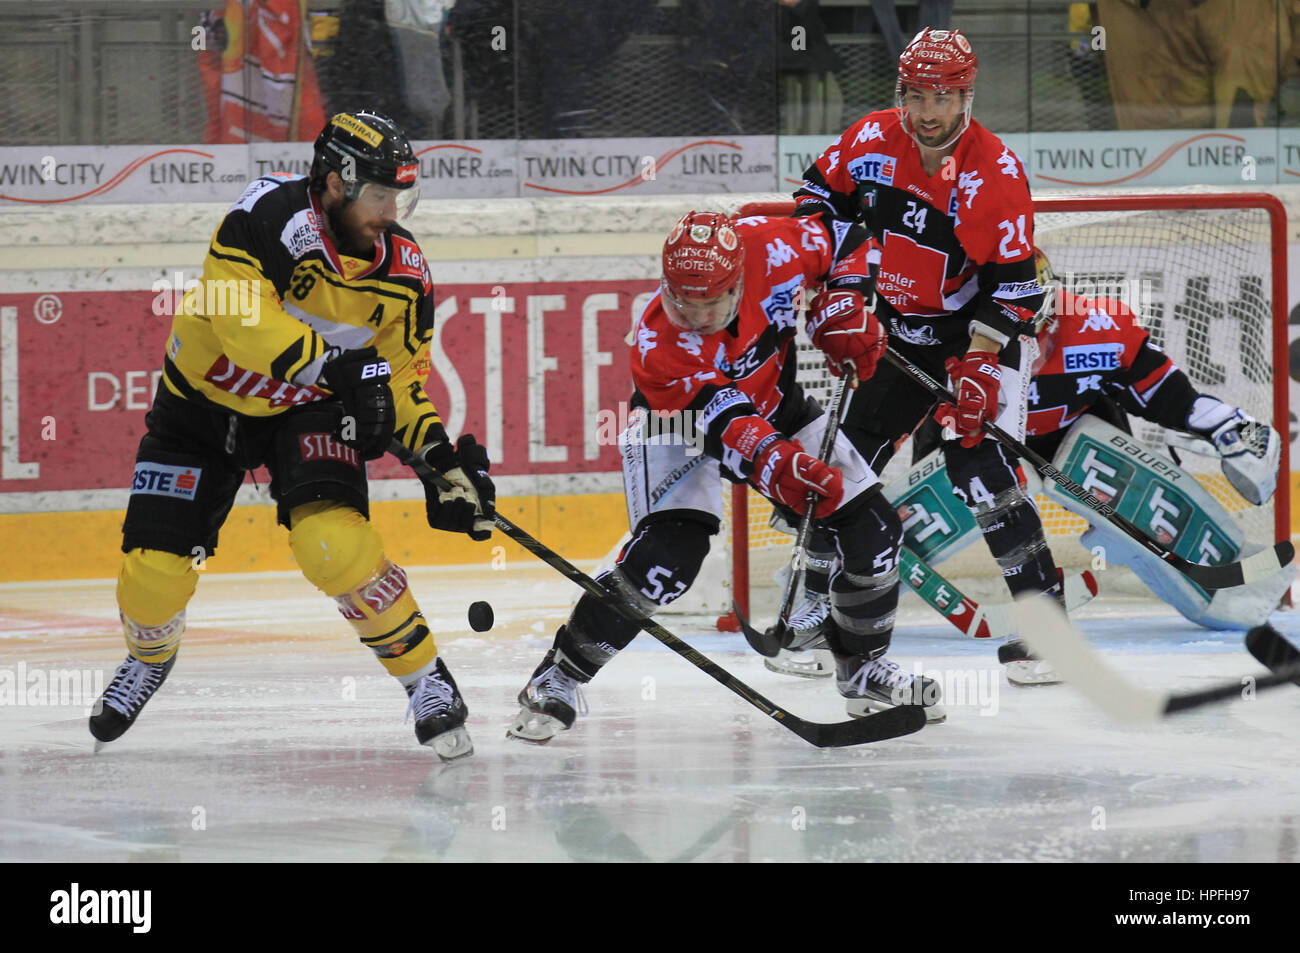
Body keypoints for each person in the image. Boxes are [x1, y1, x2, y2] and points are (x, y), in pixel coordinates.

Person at [89, 111, 495, 761]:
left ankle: (426, 678)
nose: (392, 212)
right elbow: (239, 324)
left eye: (402, 196)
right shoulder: (265, 217)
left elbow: (402, 383)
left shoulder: (406, 275)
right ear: (336, 182)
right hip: (203, 402)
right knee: (151, 577)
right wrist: (337, 365)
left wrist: (438, 459)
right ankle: (149, 655)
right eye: (380, 195)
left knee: (333, 544)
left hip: (305, 410)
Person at [508, 209, 946, 744]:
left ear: (739, 283)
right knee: (666, 562)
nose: (692, 316)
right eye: (680, 302)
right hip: (679, 425)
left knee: (875, 532)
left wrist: (843, 306)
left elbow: (850, 235)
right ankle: (558, 676)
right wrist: (782, 466)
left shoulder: (775, 248)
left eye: (709, 303)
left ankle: (862, 669)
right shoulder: (656, 344)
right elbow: (727, 427)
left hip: (777, 405)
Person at [791, 28, 1065, 686]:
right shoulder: (870, 140)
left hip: (975, 333)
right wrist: (838, 290)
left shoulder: (992, 172)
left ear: (966, 97)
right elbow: (816, 202)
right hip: (893, 329)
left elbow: (1022, 286)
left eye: (943, 96)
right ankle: (813, 607)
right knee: (839, 467)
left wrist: (976, 365)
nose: (929, 112)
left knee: (983, 473)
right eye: (916, 95)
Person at [1020, 247, 1292, 627]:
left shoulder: (1096, 326)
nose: (1023, 340)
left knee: (1123, 518)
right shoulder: (941, 336)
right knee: (972, 485)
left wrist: (1231, 425)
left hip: (1068, 436)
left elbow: (1170, 396)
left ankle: (1138, 538)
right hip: (975, 437)